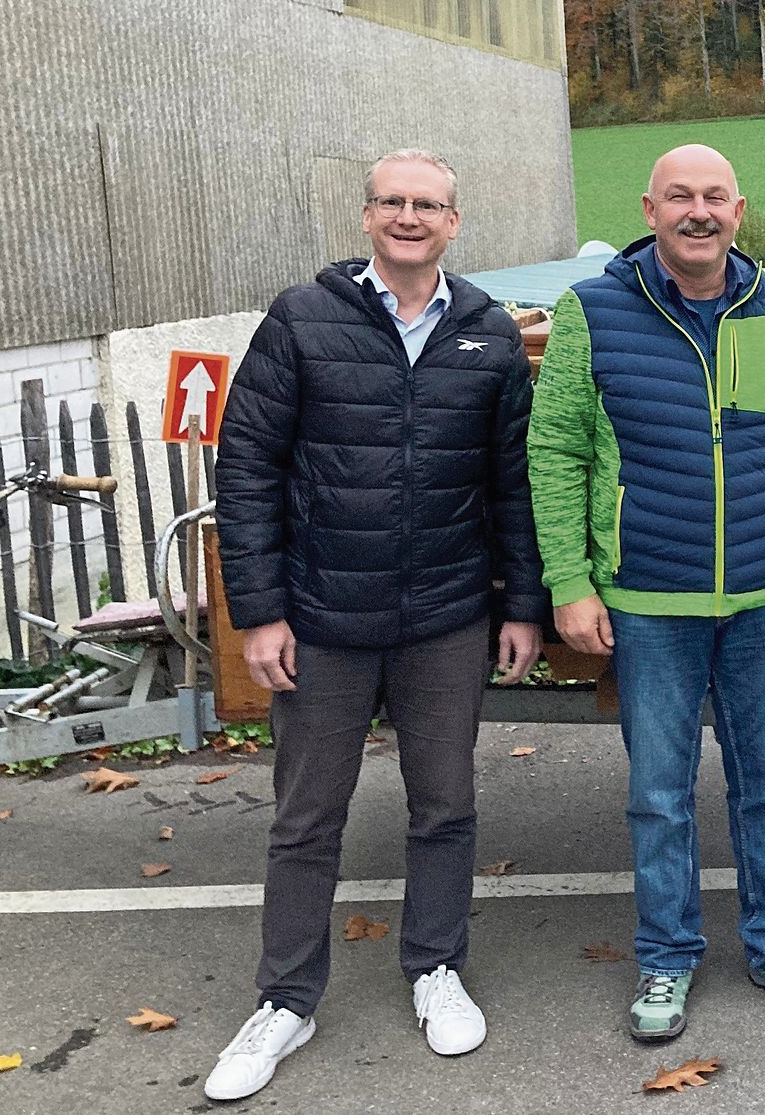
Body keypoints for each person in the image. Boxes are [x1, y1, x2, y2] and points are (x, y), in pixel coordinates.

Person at [208, 149, 545, 1100]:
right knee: (308, 816)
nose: (409, 217)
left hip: (444, 617)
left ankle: (435, 968)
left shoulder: (485, 332)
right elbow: (248, 472)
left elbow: (511, 482)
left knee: (445, 803)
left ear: (453, 221)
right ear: (367, 218)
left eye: (428, 204)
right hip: (323, 618)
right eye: (393, 202)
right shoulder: (302, 320)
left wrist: (521, 602)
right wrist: (262, 610)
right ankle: (286, 999)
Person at [528, 143, 765, 1043]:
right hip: (647, 603)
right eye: (680, 197)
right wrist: (570, 581)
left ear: (738, 211)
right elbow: (555, 452)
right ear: (650, 209)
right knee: (658, 795)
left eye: (714, 197)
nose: (698, 212)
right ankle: (666, 959)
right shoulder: (594, 309)